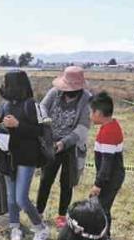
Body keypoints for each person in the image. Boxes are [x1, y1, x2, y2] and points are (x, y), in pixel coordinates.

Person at [36, 66, 93, 229]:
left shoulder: (86, 99)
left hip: (71, 147)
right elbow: (41, 108)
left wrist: (64, 143)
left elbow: (82, 128)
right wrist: (46, 129)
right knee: (46, 179)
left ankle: (62, 215)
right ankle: (39, 212)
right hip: (51, 143)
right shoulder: (55, 92)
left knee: (66, 182)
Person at [0, 71, 49, 240]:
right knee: (11, 198)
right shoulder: (4, 106)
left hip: (27, 158)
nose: (3, 86)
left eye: (6, 83)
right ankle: (15, 227)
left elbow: (41, 131)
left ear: (15, 85)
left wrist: (18, 125)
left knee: (21, 198)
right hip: (8, 157)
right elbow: (2, 127)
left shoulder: (31, 105)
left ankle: (41, 228)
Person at [89, 91, 125, 235]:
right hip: (110, 176)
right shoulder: (111, 125)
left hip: (110, 177)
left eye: (91, 112)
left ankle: (104, 239)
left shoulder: (108, 132)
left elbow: (107, 163)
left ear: (98, 113)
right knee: (102, 208)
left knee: (102, 210)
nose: (90, 116)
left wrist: (98, 184)